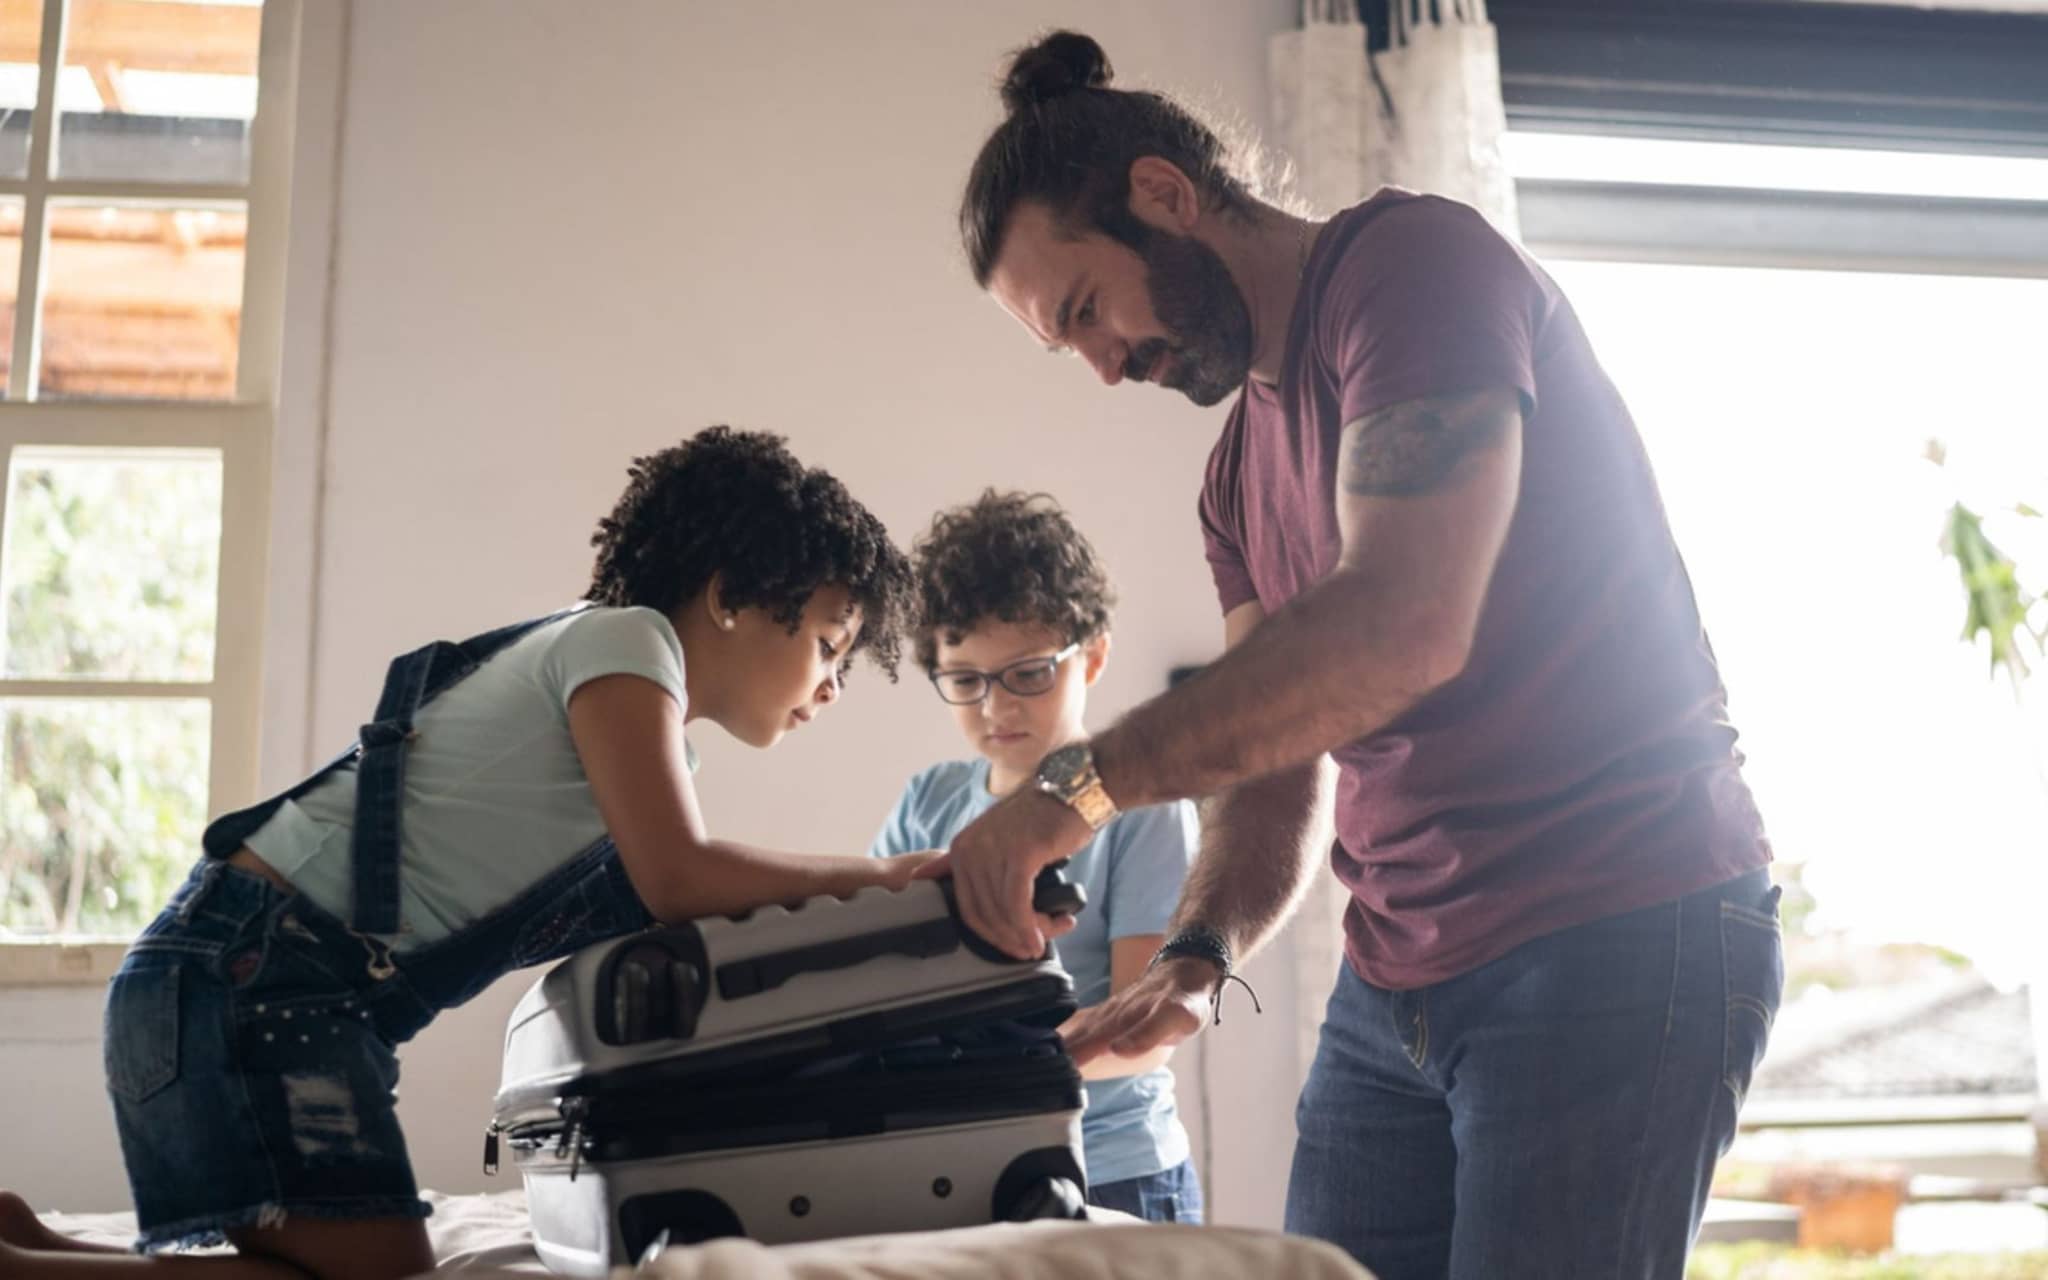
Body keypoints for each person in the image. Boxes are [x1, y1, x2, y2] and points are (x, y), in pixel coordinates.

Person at [921, 30, 1784, 1278]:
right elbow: (1275, 759)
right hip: (1395, 985)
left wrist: (1074, 787)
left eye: (1087, 311)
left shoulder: (1410, 270)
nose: (1106, 368)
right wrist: (1196, 953)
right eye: (1071, 348)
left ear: (1162, 195)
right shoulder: (1230, 481)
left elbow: (1398, 623)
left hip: (1612, 924)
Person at [0, 426, 923, 1280]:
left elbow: (681, 891)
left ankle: (33, 1249)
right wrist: (893, 876)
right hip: (258, 980)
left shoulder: (630, 711)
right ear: (728, 598)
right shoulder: (627, 641)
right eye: (831, 645)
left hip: (231, 977)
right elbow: (682, 877)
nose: (836, 685)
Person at [868, 490, 1202, 1222]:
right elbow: (884, 992)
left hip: (1112, 1169)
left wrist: (986, 1072)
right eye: (965, 680)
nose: (997, 708)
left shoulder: (1141, 808)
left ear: (1094, 656)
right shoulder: (925, 803)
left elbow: (1144, 1029)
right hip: (966, 1172)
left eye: (1027, 673)